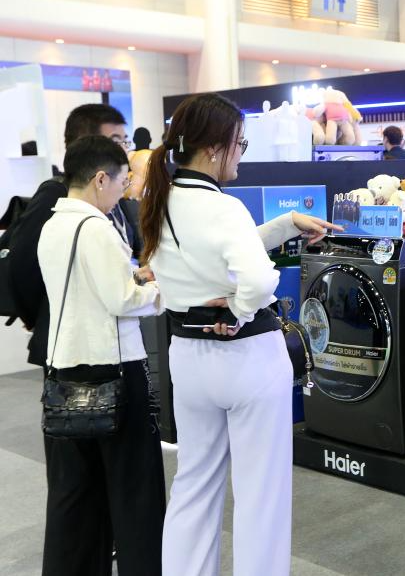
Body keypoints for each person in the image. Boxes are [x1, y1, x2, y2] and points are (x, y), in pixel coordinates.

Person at [139, 94, 338, 576]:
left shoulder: (160, 200)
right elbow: (259, 280)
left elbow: (212, 251)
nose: (241, 155)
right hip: (248, 358)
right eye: (240, 144)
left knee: (193, 484)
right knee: (260, 494)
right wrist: (239, 310)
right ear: (214, 148)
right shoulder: (222, 207)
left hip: (189, 358)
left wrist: (285, 225)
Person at [38, 136, 164, 576]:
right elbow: (122, 300)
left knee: (75, 498)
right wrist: (157, 289)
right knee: (136, 493)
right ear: (99, 179)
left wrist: (132, 277)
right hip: (115, 372)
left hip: (64, 373)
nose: (123, 191)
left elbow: (89, 289)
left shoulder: (53, 225)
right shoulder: (96, 228)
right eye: (122, 181)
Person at [8, 103, 139, 368]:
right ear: (85, 144)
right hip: (73, 344)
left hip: (112, 336)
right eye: (115, 141)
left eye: (125, 141)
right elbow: (21, 263)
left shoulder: (114, 192)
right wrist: (40, 316)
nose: (124, 149)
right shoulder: (56, 194)